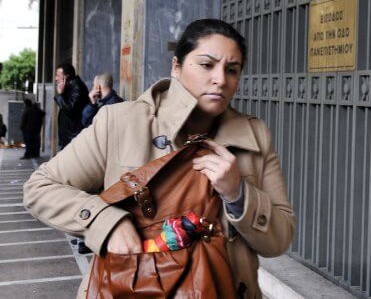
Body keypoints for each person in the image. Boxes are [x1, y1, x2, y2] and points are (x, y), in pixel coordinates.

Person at [24, 19, 296, 297]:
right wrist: (106, 222)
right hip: (131, 288)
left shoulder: (254, 136)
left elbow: (279, 239)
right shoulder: (120, 122)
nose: (220, 79)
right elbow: (40, 187)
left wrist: (238, 195)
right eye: (206, 65)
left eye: (232, 70)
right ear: (176, 66)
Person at [54, 63, 89, 148]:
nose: (55, 78)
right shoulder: (69, 87)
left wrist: (60, 95)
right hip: (68, 137)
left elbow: (69, 109)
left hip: (72, 138)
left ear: (66, 77)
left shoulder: (77, 87)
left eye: (58, 76)